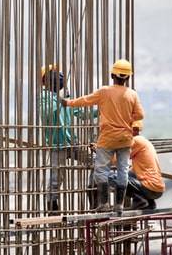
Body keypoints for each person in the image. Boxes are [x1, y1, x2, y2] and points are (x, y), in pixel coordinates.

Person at [62, 59, 144, 212]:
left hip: (107, 139)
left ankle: (104, 204)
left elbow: (85, 100)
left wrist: (68, 103)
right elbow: (139, 114)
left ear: (113, 75)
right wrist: (127, 120)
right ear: (128, 78)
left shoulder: (104, 91)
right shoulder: (132, 94)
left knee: (101, 170)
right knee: (123, 170)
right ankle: (119, 205)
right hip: (125, 139)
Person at [39, 64, 94, 214]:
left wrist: (102, 108)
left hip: (72, 143)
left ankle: (94, 195)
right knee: (56, 180)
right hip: (58, 145)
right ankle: (52, 209)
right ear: (46, 81)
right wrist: (60, 100)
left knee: (96, 163)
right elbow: (47, 113)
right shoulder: (44, 97)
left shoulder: (64, 98)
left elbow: (82, 113)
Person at [127, 120, 165, 210]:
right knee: (129, 174)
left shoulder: (136, 141)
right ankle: (149, 203)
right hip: (156, 188)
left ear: (133, 130)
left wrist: (101, 152)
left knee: (115, 178)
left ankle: (140, 201)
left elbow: (117, 160)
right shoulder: (144, 142)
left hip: (150, 188)